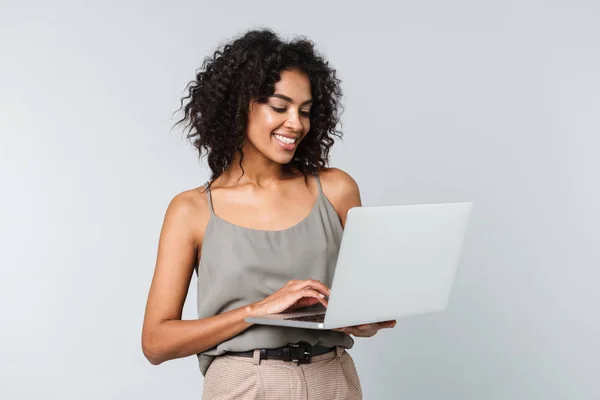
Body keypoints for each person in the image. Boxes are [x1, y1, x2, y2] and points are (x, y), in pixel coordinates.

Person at [141, 28, 396, 399]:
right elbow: (156, 342)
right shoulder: (192, 210)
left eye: (305, 111)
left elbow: (365, 302)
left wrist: (365, 321)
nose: (296, 123)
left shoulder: (336, 190)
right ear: (238, 105)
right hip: (244, 382)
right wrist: (258, 310)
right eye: (280, 107)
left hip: (333, 377)